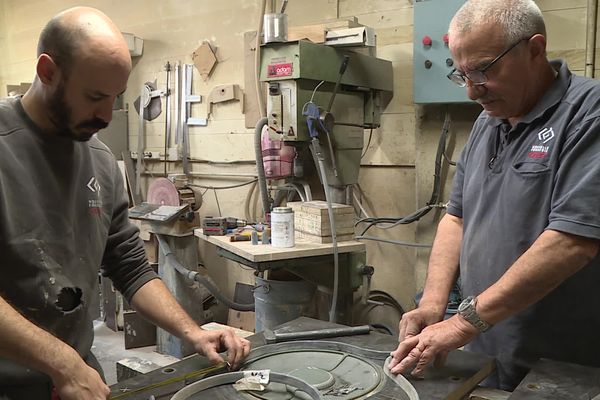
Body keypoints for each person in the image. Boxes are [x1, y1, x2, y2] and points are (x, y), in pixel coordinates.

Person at [0, 7, 250, 399]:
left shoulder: (99, 159)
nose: (105, 115)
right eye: (95, 96)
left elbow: (130, 266)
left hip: (77, 376)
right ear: (47, 72)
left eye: (116, 97)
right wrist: (62, 363)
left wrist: (192, 332)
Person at [388, 0, 600, 391]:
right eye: (463, 74)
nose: (471, 91)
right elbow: (456, 216)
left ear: (535, 49)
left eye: (484, 70)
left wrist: (463, 322)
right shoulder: (489, 121)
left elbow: (573, 241)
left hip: (557, 361)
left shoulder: (588, 114)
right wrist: (435, 305)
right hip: (484, 346)